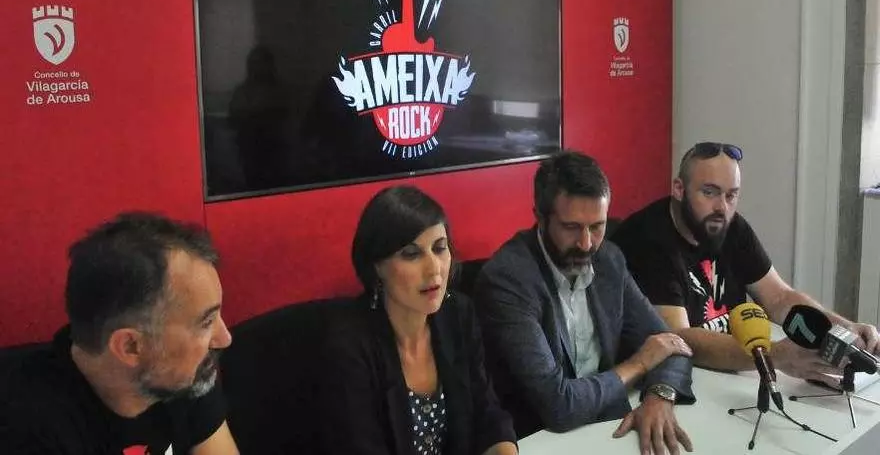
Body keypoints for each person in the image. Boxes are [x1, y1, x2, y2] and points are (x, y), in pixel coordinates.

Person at [473, 151, 695, 455]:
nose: (587, 243)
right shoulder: (508, 279)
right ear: (540, 218)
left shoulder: (609, 259)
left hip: (606, 425)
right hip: (539, 438)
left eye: (597, 226)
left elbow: (671, 346)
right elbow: (558, 405)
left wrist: (658, 396)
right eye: (571, 227)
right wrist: (640, 363)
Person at [611, 142, 880, 383]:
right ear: (679, 189)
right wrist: (775, 356)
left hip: (731, 367)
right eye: (709, 192)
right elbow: (679, 337)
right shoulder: (647, 240)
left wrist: (843, 327)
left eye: (731, 195)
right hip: (672, 375)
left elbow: (778, 297)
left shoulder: (730, 226)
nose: (722, 207)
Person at [0, 212, 239, 454]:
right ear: (130, 346)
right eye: (206, 322)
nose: (224, 339)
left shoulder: (182, 375)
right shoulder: (29, 429)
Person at [317, 185, 518, 455]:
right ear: (377, 266)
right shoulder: (349, 346)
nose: (434, 268)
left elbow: (488, 414)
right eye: (412, 254)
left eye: (440, 248)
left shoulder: (458, 314)